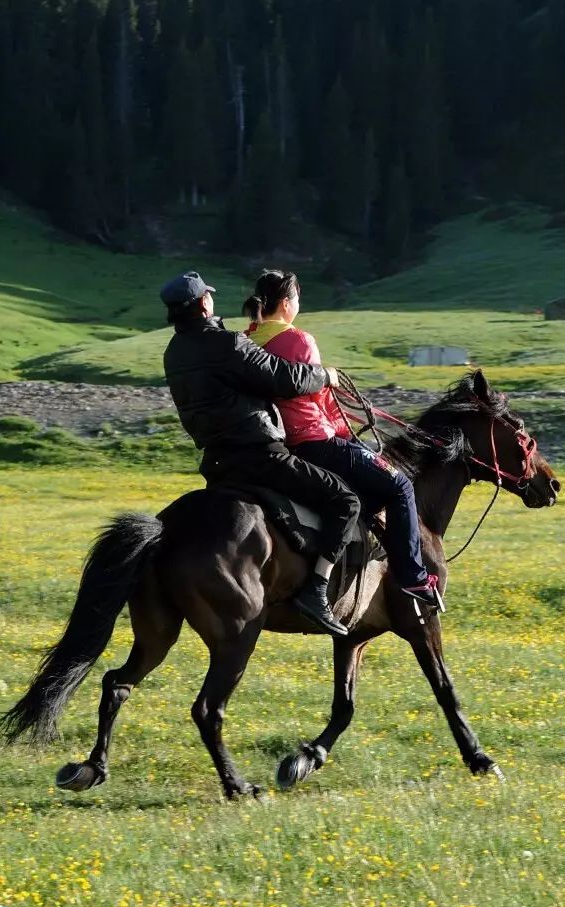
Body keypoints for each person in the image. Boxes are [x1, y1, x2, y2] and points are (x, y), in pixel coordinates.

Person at [161, 270, 361, 637]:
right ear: (205, 303)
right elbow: (284, 377)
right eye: (209, 296)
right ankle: (316, 592)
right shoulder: (226, 344)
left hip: (218, 465)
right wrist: (325, 375)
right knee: (344, 499)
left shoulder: (174, 353)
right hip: (261, 456)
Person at [243, 270, 441, 609]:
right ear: (287, 303)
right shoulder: (299, 341)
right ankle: (414, 578)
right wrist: (351, 434)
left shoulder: (248, 342)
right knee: (400, 487)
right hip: (314, 440)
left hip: (276, 445)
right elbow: (317, 400)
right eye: (298, 299)